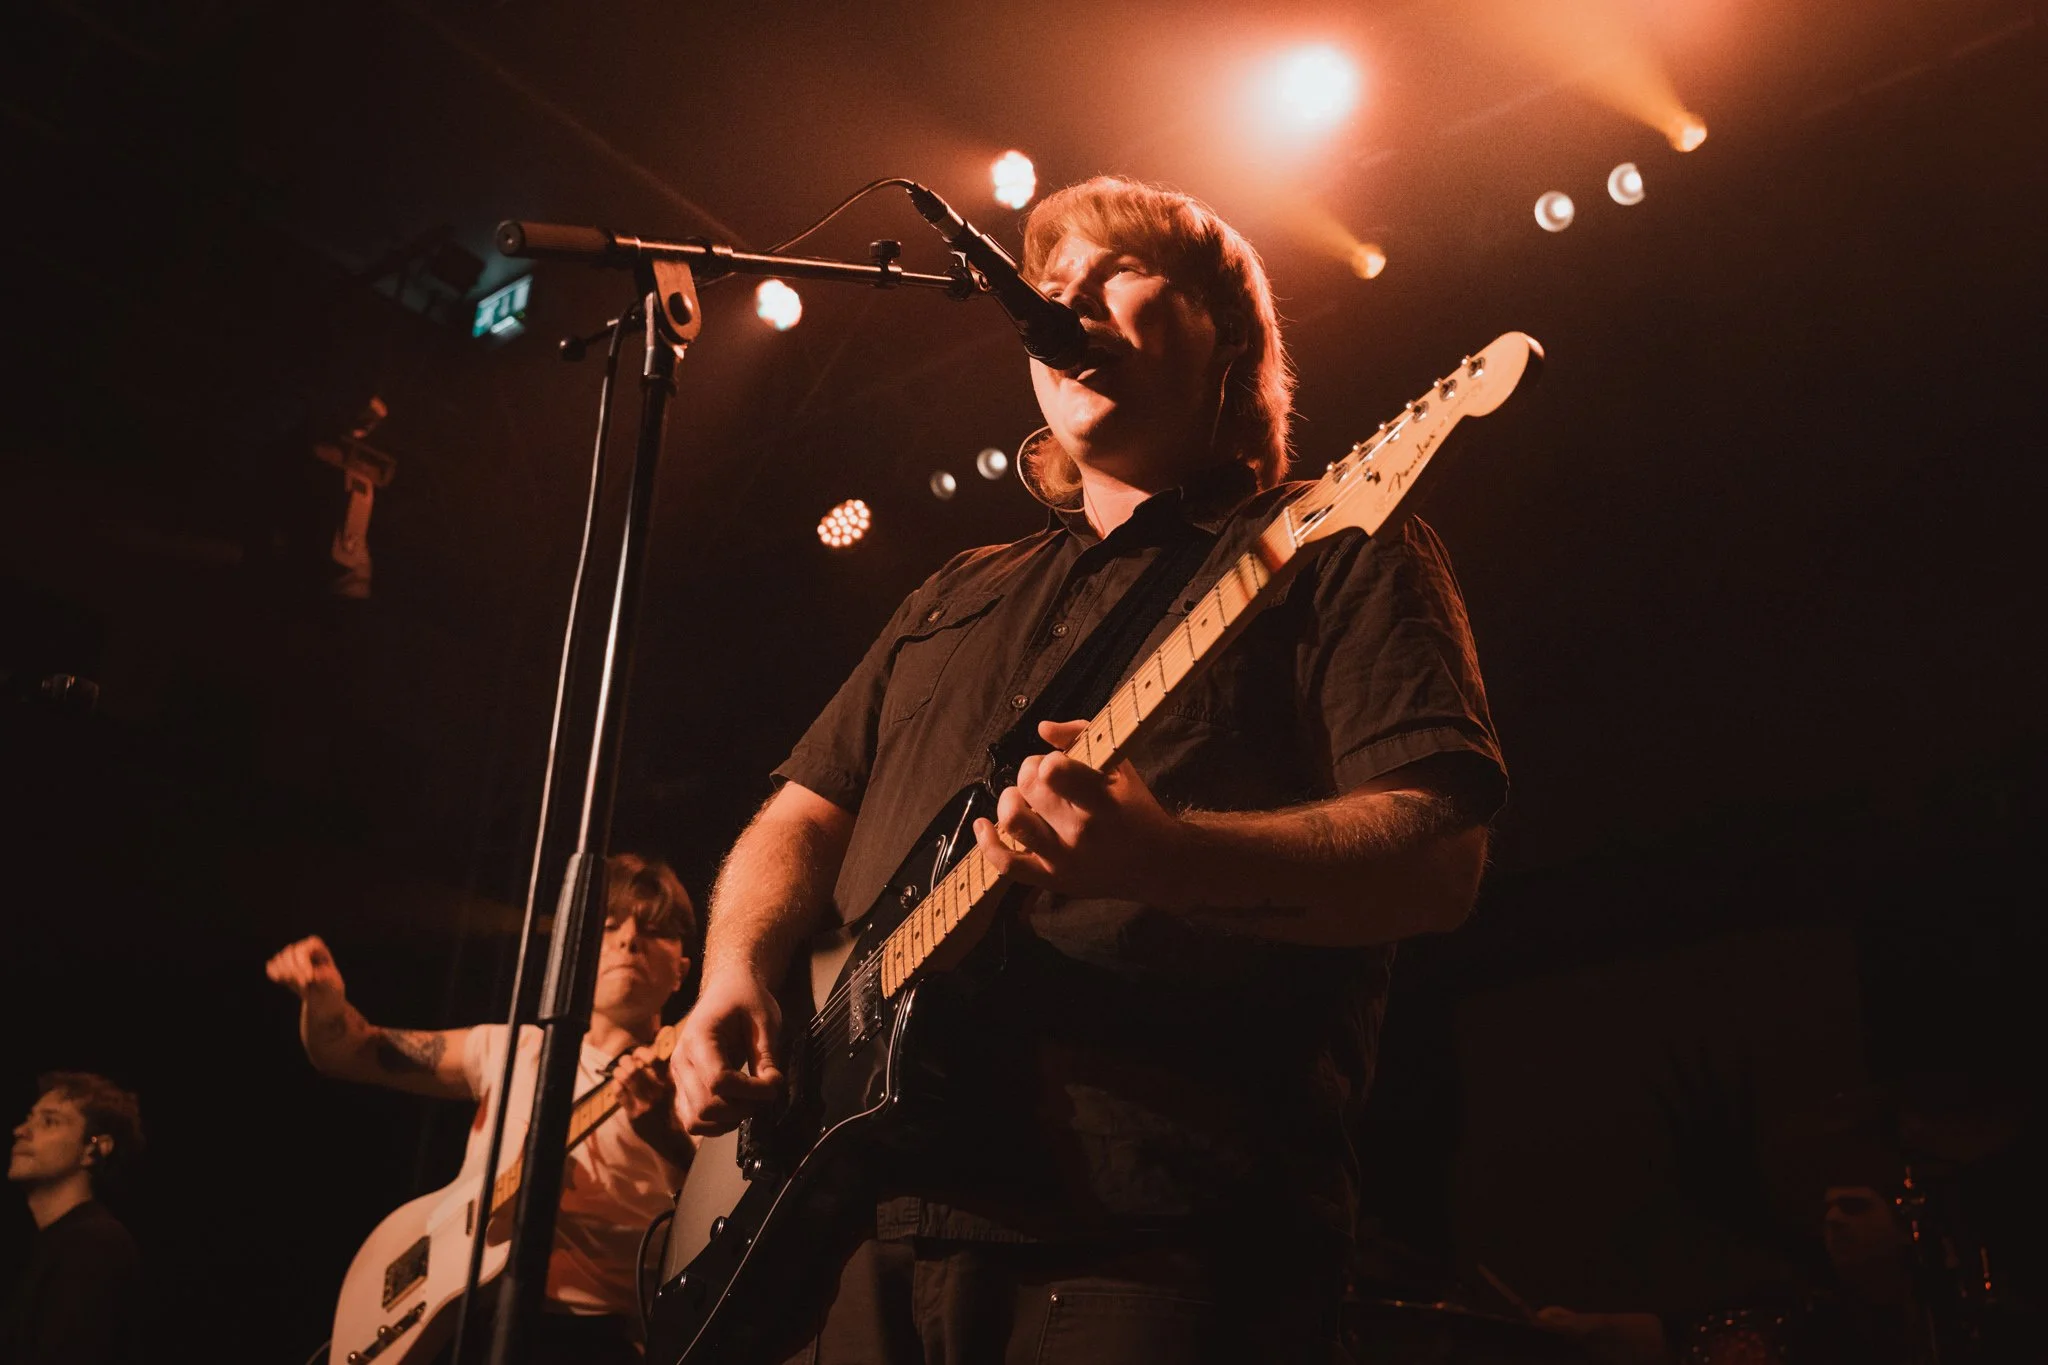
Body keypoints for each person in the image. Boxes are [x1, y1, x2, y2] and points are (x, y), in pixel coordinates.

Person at [669, 176, 1506, 1363]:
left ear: (1227, 336)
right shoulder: (955, 593)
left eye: (1116, 275)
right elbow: (800, 816)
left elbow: (1436, 862)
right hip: (855, 1237)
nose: (1064, 303)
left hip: (1145, 1234)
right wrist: (733, 971)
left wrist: (1170, 858)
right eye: (1050, 287)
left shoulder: (1336, 542)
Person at [266, 853, 697, 1361]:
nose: (629, 940)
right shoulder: (509, 1049)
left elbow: (716, 1226)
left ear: (682, 971)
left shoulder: (693, 1077)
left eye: (653, 929)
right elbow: (351, 1052)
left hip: (594, 1339)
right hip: (467, 1324)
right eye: (607, 926)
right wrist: (324, 1001)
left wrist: (668, 1139)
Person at [3, 1072, 145, 1365]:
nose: (21, 1131)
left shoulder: (97, 1245)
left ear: (94, 1149)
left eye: (49, 1121)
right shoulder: (47, 1246)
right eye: (29, 1119)